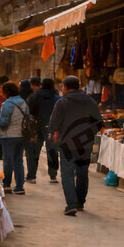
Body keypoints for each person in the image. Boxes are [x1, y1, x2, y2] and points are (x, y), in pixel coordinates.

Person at [48, 76, 101, 216]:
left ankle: (71, 204)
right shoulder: (90, 101)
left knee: (67, 172)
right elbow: (98, 122)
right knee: (82, 172)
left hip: (67, 143)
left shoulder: (63, 102)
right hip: (85, 143)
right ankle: (80, 202)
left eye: (62, 87)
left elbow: (54, 122)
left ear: (65, 87)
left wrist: (53, 133)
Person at [0, 82, 28, 195]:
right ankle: (20, 187)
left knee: (8, 160)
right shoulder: (22, 101)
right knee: (18, 160)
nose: (1, 94)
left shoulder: (8, 103)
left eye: (2, 91)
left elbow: (4, 122)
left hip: (9, 135)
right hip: (21, 135)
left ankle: (7, 184)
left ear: (7, 92)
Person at [27, 78, 61, 183]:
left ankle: (31, 176)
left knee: (34, 152)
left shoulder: (34, 97)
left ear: (41, 85)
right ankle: (53, 176)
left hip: (36, 128)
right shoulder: (57, 98)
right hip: (52, 128)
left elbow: (29, 113)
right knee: (52, 151)